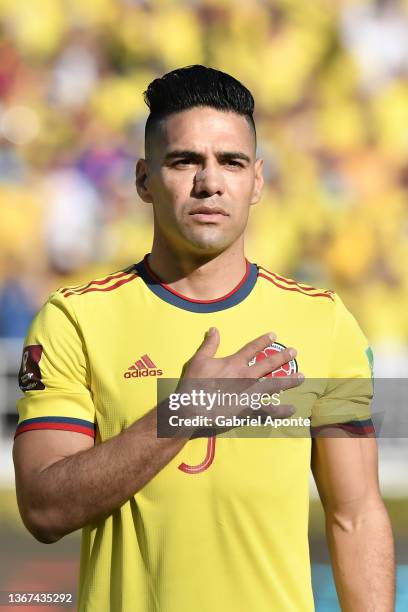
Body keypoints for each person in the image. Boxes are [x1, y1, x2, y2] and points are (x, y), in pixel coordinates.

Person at [13, 65, 394, 611]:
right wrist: (184, 415)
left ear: (257, 181)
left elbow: (355, 515)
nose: (209, 181)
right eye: (185, 159)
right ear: (144, 179)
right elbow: (44, 511)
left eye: (231, 162)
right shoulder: (76, 319)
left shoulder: (322, 321)